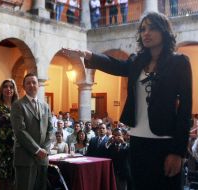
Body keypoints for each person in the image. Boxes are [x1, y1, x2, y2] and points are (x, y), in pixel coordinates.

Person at [62, 11, 192, 190]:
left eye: (152, 28)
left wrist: (178, 152)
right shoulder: (137, 61)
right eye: (143, 29)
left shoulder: (179, 62)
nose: (146, 33)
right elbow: (116, 65)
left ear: (164, 31)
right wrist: (89, 55)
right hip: (138, 140)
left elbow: (186, 108)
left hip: (165, 142)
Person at [10, 73, 53, 190]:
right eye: (28, 83)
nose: (31, 85)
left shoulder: (45, 105)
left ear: (38, 85)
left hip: (42, 158)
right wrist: (37, 150)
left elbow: (50, 129)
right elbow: (20, 131)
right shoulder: (18, 105)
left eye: (34, 82)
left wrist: (45, 149)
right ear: (24, 87)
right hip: (25, 157)